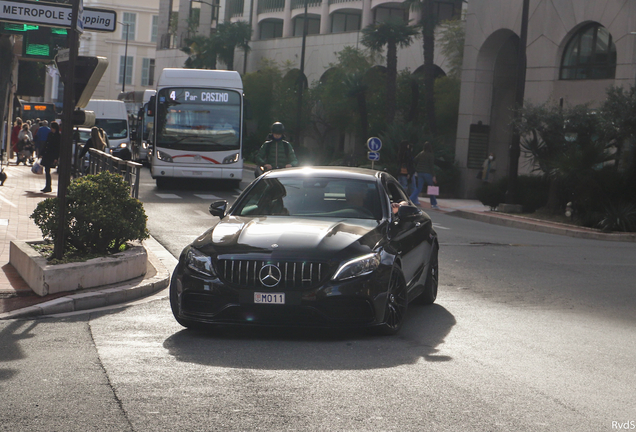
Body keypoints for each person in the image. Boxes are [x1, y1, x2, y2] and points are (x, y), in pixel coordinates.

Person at [410, 141, 439, 210]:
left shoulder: (421, 153)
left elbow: (415, 160)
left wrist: (418, 167)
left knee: (418, 188)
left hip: (420, 172)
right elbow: (431, 166)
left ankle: (409, 200)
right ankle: (434, 204)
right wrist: (434, 175)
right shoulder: (430, 155)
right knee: (431, 188)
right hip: (427, 173)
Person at [40, 121, 61, 193]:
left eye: (52, 127)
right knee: (47, 170)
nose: (51, 129)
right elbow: (46, 144)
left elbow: (58, 148)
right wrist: (41, 153)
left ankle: (48, 186)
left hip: (52, 155)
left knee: (48, 170)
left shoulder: (58, 136)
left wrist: (56, 157)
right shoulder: (50, 134)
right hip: (47, 154)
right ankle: (47, 186)